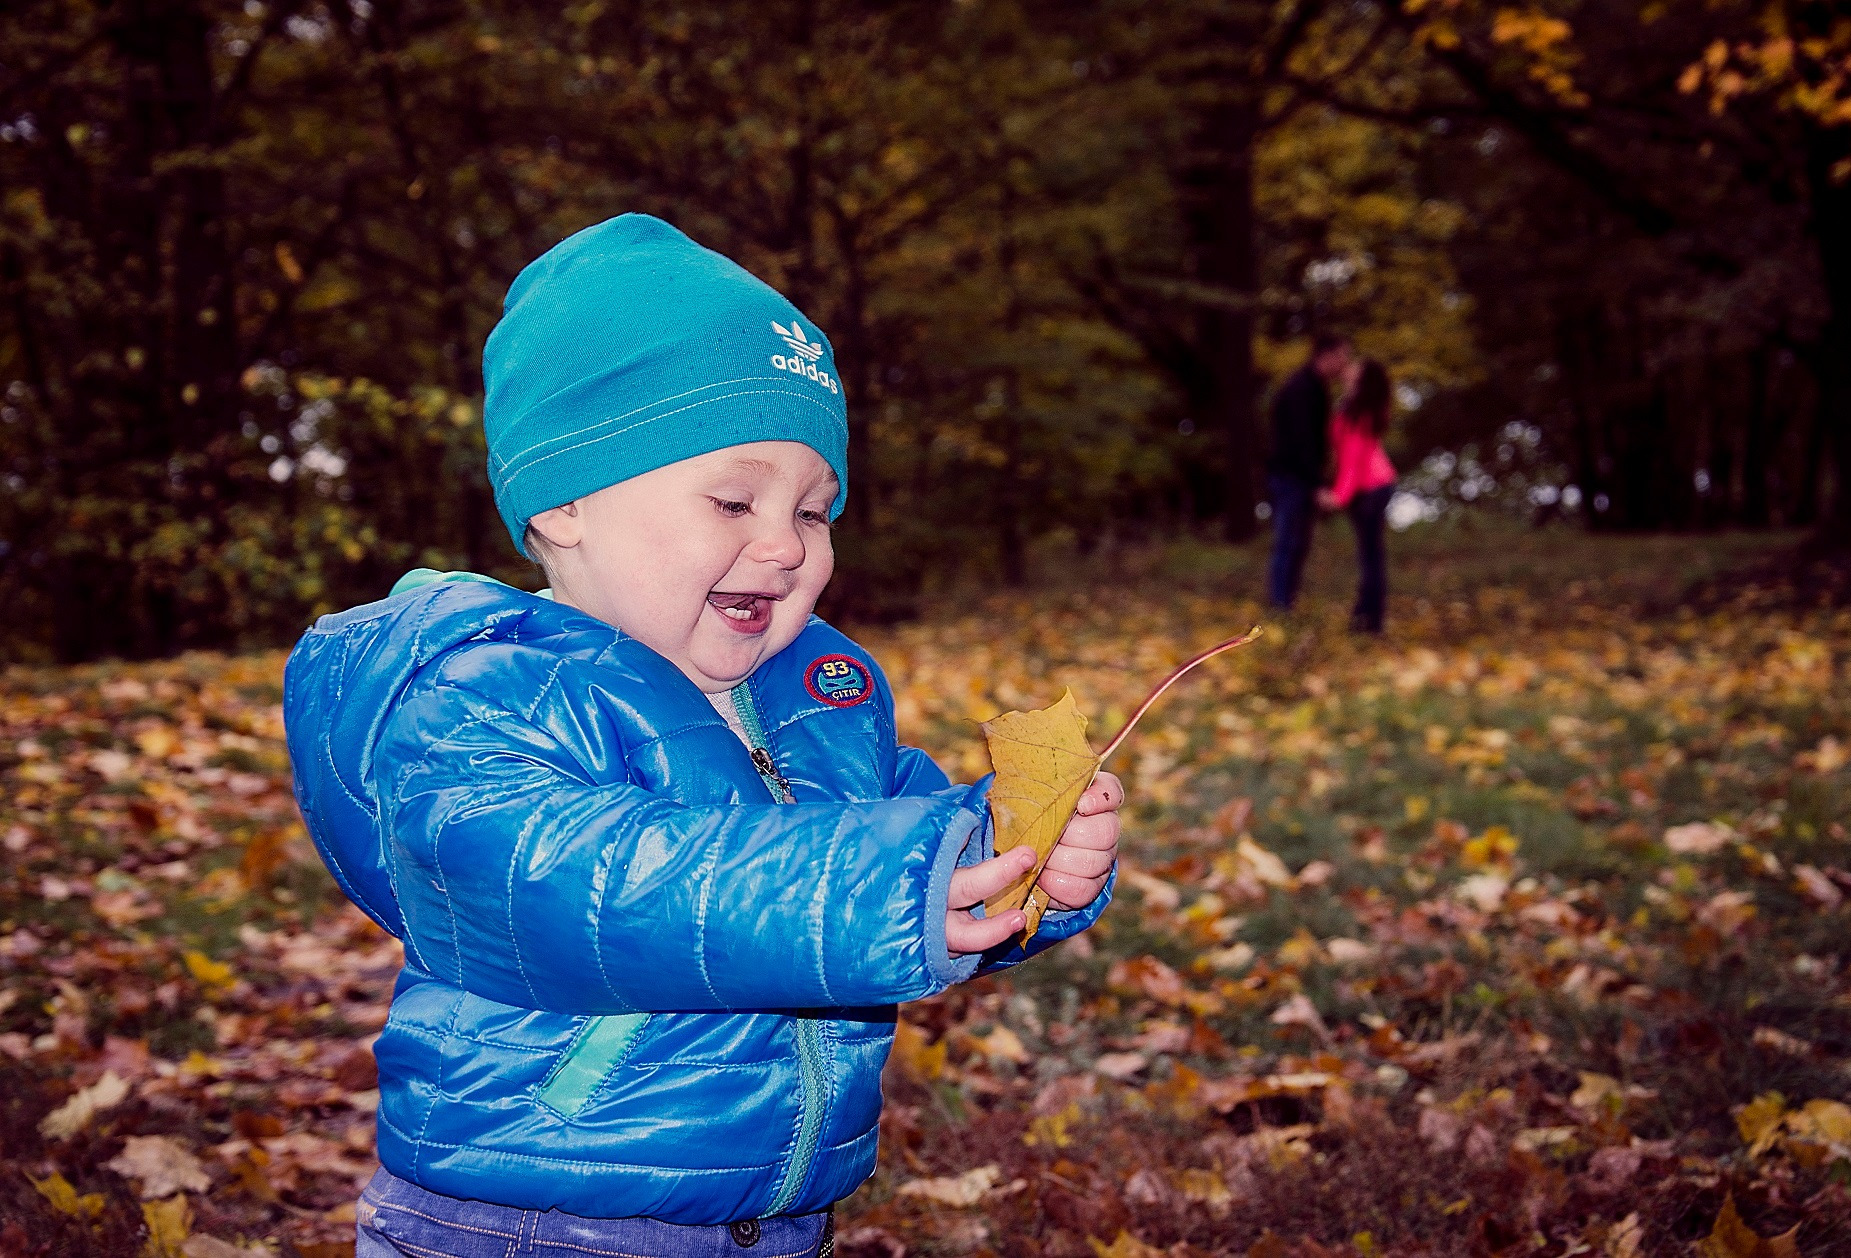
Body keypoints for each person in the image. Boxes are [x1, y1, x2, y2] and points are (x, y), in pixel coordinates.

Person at [281, 214, 1121, 1257]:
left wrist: (1029, 869)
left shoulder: (825, 703)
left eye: (815, 512)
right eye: (734, 499)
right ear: (562, 508)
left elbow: (929, 872)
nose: (783, 545)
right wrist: (885, 880)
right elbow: (595, 881)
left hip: (772, 1216)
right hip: (531, 1217)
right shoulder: (481, 697)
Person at [1263, 332, 1354, 610]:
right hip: (1291, 478)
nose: (1345, 363)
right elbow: (1301, 441)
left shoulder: (1317, 388)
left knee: (1298, 542)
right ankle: (1279, 604)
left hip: (1299, 477)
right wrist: (1316, 484)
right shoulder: (1301, 388)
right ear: (1327, 355)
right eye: (1343, 355)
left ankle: (1286, 601)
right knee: (1288, 541)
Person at [1317, 358, 1399, 634]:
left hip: (1371, 489)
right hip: (1372, 487)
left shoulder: (1359, 412)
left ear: (1361, 380)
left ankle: (1368, 622)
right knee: (1371, 555)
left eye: (1356, 368)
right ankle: (1366, 618)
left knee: (1371, 556)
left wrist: (1338, 497)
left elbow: (1353, 459)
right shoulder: (1355, 407)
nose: (1348, 369)